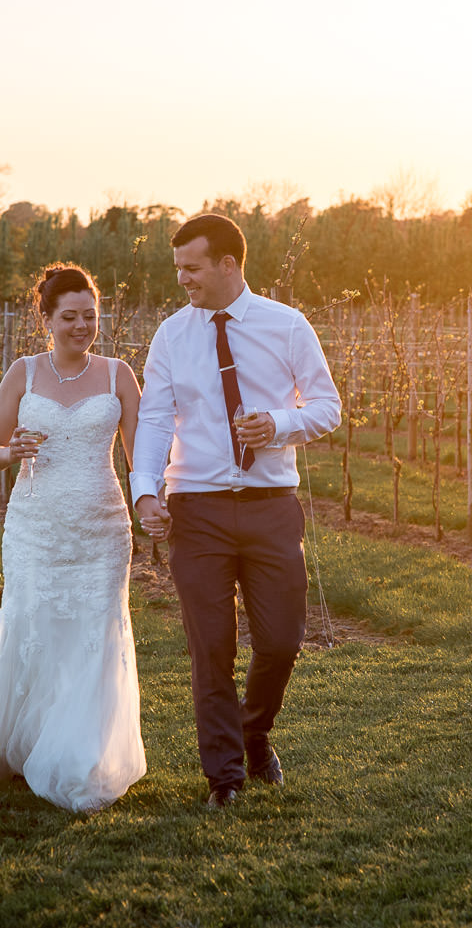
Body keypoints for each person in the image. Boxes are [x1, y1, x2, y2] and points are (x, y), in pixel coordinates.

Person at [132, 213, 341, 809]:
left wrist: (278, 425)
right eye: (177, 269)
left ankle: (255, 731)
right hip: (195, 508)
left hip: (271, 505)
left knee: (280, 642)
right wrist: (146, 490)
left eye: (191, 268)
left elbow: (328, 408)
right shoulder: (171, 335)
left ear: (229, 264)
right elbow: (153, 419)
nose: (182, 281)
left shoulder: (288, 325)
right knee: (212, 647)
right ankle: (223, 777)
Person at [0, 264, 146, 812]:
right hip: (35, 527)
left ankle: (78, 757)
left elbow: (140, 456)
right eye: (71, 317)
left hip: (102, 529)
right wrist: (12, 453)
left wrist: (159, 500)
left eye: (91, 316)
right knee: (33, 625)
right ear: (47, 319)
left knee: (92, 638)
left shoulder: (119, 374)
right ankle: (21, 743)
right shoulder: (23, 374)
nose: (83, 326)